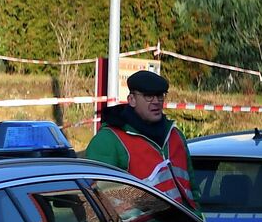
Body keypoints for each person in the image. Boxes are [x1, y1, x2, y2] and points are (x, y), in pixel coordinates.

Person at [84, 69, 196, 210]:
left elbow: (192, 189)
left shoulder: (175, 135)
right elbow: (99, 203)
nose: (156, 102)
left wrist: (198, 218)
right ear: (132, 100)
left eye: (160, 96)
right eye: (148, 96)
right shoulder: (108, 141)